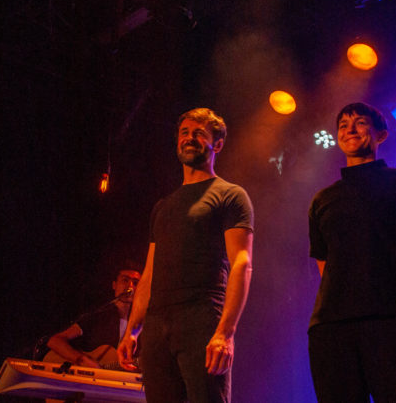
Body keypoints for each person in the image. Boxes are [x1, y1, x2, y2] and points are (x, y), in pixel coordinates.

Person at [307, 102, 396, 403]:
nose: (350, 129)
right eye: (343, 125)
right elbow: (326, 267)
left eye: (359, 122)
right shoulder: (323, 200)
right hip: (332, 331)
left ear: (380, 135)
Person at [117, 107, 254, 403]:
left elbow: (242, 262)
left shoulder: (230, 195)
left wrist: (225, 332)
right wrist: (133, 330)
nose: (189, 138)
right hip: (157, 327)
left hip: (202, 319)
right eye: (184, 132)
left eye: (199, 133)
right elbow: (150, 272)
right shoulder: (163, 206)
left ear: (217, 144)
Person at [45, 262, 142, 369]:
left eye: (136, 283)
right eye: (125, 280)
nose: (130, 286)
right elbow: (54, 341)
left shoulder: (141, 323)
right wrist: (82, 360)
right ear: (114, 285)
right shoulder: (98, 314)